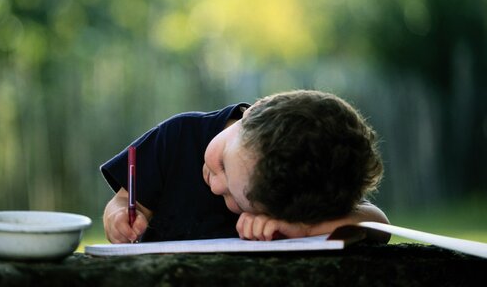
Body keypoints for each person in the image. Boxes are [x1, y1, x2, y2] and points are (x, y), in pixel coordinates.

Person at [101, 90, 389, 243]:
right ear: (251, 112)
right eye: (223, 163)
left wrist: (299, 227)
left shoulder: (298, 186)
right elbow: (125, 200)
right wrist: (119, 217)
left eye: (234, 199)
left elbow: (377, 223)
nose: (215, 184)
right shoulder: (177, 137)